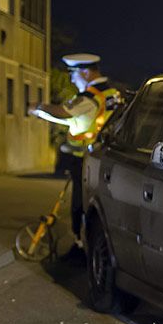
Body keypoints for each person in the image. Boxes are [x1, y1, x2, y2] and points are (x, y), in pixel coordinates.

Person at [28, 53, 123, 252]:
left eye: (74, 74)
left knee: (79, 204)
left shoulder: (89, 98)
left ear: (86, 72)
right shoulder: (111, 93)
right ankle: (94, 244)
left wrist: (37, 108)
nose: (71, 79)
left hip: (83, 160)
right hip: (104, 159)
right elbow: (74, 119)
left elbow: (63, 112)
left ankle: (80, 245)